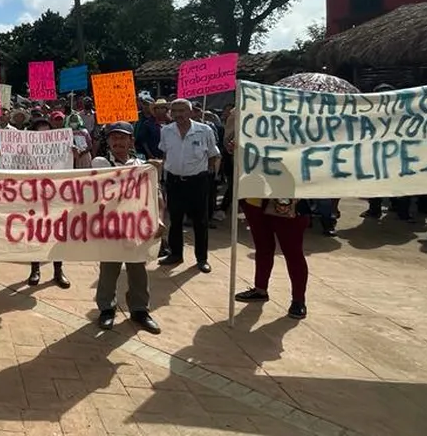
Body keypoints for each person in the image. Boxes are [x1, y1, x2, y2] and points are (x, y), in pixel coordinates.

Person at [92, 122, 162, 334]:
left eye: (122, 137)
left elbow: (155, 195)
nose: (118, 142)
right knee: (108, 269)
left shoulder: (142, 166)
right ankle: (106, 309)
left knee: (138, 269)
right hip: (110, 227)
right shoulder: (100, 163)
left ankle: (140, 310)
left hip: (135, 227)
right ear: (108, 141)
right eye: (114, 138)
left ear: (131, 141)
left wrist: (159, 219)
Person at [158, 98, 220, 273]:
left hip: (198, 182)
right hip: (174, 182)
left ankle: (202, 258)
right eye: (175, 111)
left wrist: (209, 177)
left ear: (191, 112)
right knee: (175, 219)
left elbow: (213, 155)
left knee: (200, 221)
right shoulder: (166, 131)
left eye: (182, 110)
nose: (178, 114)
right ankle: (175, 254)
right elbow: (164, 154)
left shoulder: (204, 130)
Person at [234, 198, 310, 320]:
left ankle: (298, 300)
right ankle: (260, 289)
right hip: (256, 201)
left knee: (293, 253)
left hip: (287, 201)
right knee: (262, 247)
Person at [25, 115, 71, 288]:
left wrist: (71, 155)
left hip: (56, 198)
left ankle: (58, 271)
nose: (44, 137)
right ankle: (35, 269)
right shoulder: (23, 153)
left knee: (57, 235)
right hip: (34, 198)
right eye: (40, 133)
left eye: (47, 133)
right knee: (34, 234)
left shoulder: (61, 152)